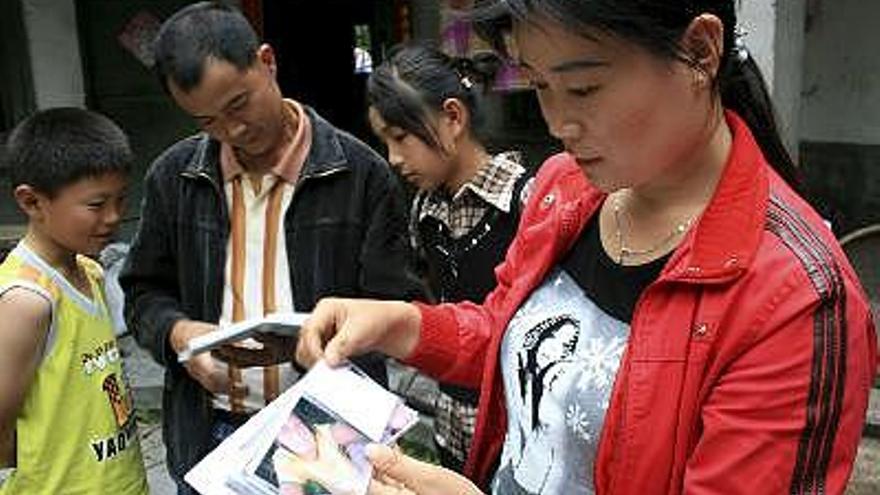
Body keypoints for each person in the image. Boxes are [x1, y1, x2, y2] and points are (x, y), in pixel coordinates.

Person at [296, 1, 879, 494]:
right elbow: (508, 332)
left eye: (583, 88)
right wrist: (398, 325)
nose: (558, 122)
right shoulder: (563, 189)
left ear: (700, 52)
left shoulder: (796, 300)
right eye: (541, 87)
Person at [118, 3, 423, 493]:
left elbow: (397, 305)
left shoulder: (361, 174)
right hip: (211, 432)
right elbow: (142, 292)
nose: (232, 131)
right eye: (207, 122)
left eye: (239, 104)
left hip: (327, 431)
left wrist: (334, 337)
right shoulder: (174, 177)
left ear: (266, 61)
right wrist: (179, 335)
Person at [367, 43, 533, 473]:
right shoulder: (425, 209)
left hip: (516, 427)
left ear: (453, 117)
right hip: (451, 423)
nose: (394, 158)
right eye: (385, 142)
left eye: (401, 137)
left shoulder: (527, 202)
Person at [0, 108, 148, 494]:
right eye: (97, 205)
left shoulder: (91, 271)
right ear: (32, 202)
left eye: (121, 199)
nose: (115, 217)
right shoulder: (26, 301)